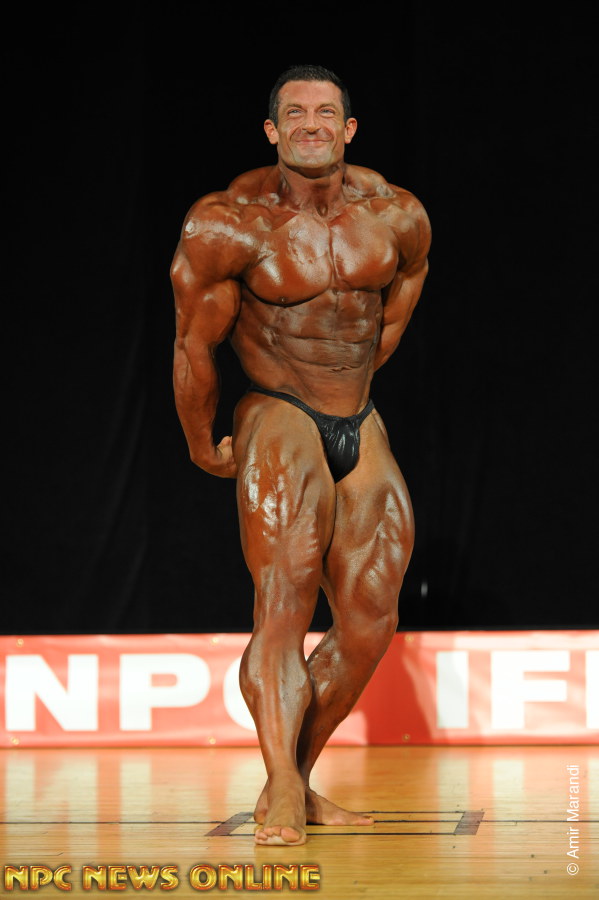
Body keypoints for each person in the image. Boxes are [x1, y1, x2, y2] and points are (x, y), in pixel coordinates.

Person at [171, 64, 431, 846]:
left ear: (348, 129)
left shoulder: (397, 216)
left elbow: (392, 315)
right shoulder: (227, 224)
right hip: (277, 410)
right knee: (283, 601)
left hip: (358, 414)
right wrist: (201, 440)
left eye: (325, 112)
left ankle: (297, 774)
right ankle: (283, 786)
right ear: (272, 131)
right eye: (294, 113)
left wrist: (347, 387)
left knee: (370, 618)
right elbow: (193, 346)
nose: (310, 124)